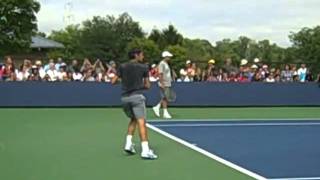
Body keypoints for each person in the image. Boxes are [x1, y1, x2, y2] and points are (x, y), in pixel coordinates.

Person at [111, 49, 158, 160]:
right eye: (141, 55)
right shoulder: (144, 67)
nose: (143, 56)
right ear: (136, 55)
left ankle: (128, 144)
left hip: (125, 99)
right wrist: (138, 85)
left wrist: (125, 83)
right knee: (141, 122)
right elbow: (147, 86)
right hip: (137, 97)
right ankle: (145, 151)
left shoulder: (122, 66)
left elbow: (113, 81)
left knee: (134, 119)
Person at [152, 51, 174, 119]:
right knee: (165, 98)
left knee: (165, 97)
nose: (170, 58)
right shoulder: (162, 64)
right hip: (164, 83)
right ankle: (164, 112)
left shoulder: (166, 64)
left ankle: (159, 108)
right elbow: (160, 74)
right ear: (165, 57)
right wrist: (162, 83)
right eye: (169, 57)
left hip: (167, 83)